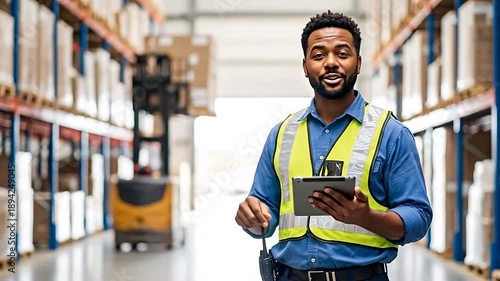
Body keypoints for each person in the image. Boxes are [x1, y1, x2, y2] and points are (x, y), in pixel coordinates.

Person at [234, 11, 433, 281]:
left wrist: (366, 217)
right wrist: (253, 219)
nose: (330, 63)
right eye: (318, 55)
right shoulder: (281, 134)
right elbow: (264, 211)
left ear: (358, 63)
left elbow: (418, 218)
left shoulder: (391, 134)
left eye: (342, 53)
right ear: (305, 66)